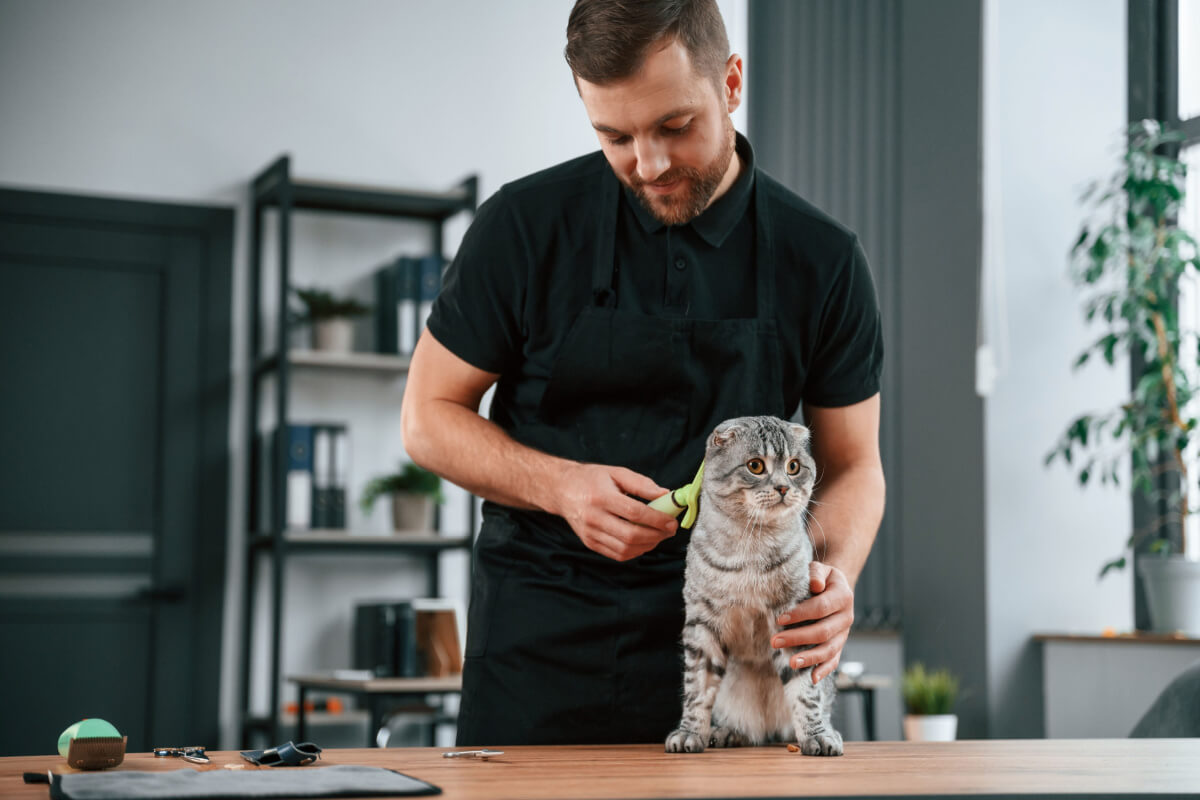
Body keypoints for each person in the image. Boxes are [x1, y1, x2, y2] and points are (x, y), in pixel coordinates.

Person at [400, 0, 885, 746]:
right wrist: (560, 487)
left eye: (674, 127)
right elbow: (426, 418)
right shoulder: (522, 227)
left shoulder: (821, 260)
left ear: (731, 83)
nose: (648, 164)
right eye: (614, 136)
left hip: (738, 660)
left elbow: (856, 466)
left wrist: (835, 576)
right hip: (538, 653)